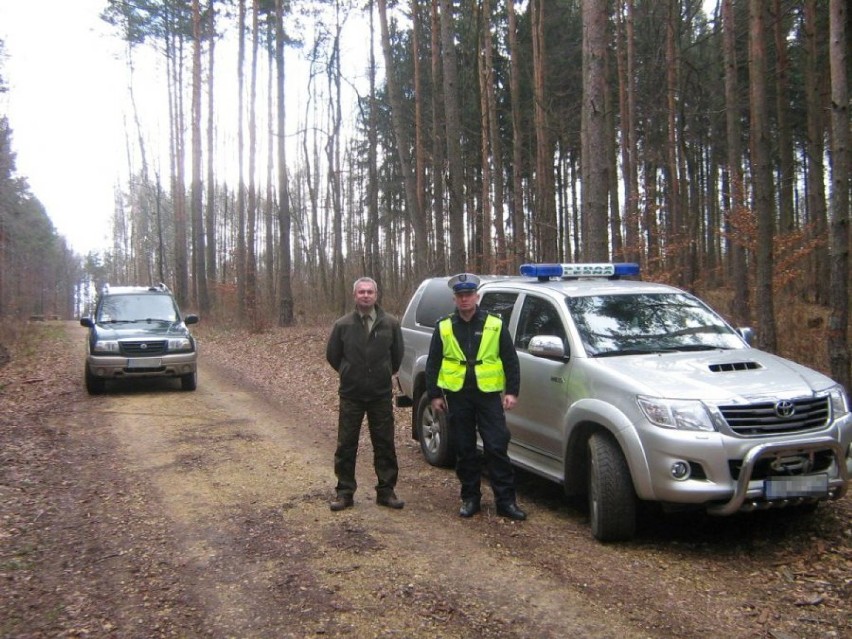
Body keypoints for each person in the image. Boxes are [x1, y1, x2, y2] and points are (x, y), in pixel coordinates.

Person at [424, 273, 526, 521]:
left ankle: (506, 501)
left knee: (496, 446)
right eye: (460, 296)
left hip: (488, 396)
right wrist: (435, 395)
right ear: (455, 299)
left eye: (469, 295)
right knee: (464, 448)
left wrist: (512, 391)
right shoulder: (445, 326)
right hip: (458, 396)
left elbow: (510, 359)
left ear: (476, 297)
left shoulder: (494, 323)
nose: (465, 299)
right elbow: (433, 362)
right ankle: (470, 498)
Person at [326, 277, 405, 511]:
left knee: (384, 444)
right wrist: (349, 372)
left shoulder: (390, 323)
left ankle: (386, 491)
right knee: (346, 445)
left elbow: (397, 356)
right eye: (361, 292)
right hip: (351, 394)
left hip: (380, 395)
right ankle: (344, 492)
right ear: (355, 296)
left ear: (376, 295)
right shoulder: (343, 325)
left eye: (370, 291)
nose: (366, 295)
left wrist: (382, 374)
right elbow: (333, 355)